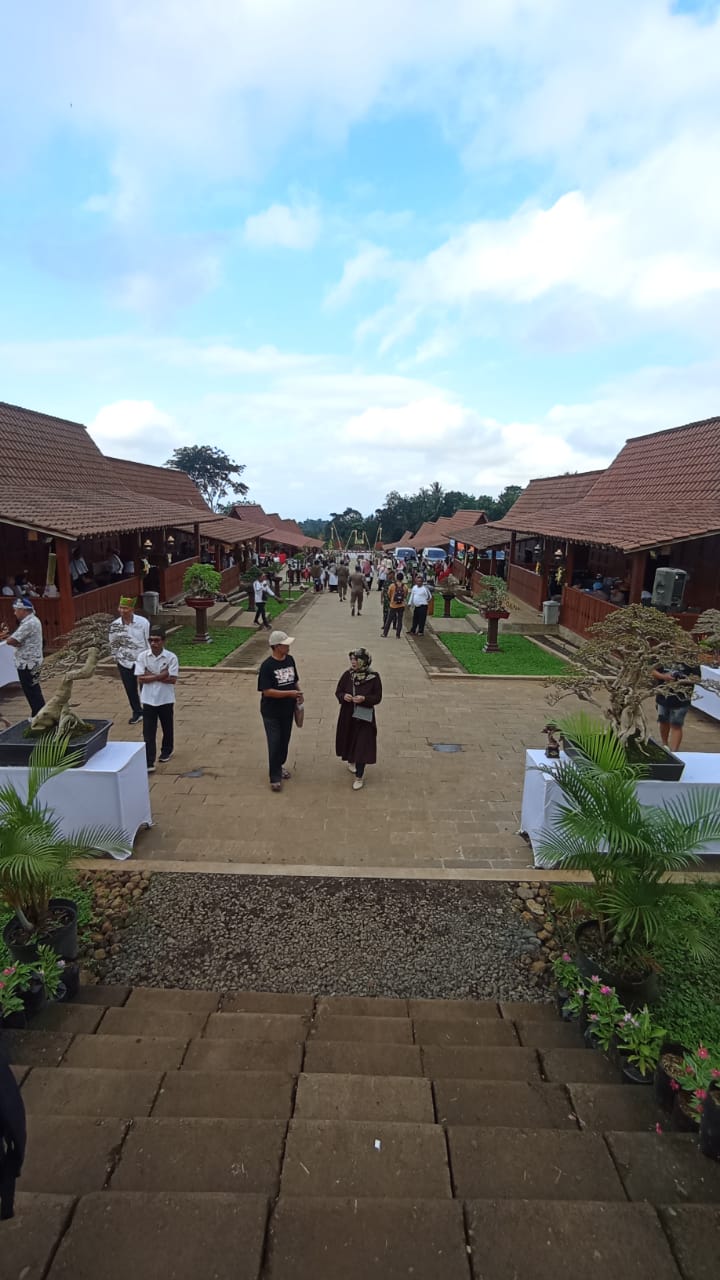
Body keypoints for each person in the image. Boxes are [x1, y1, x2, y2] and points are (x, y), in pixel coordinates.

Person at [257, 630, 303, 792]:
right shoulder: (267, 666)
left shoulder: (290, 660)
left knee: (284, 741)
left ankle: (279, 764)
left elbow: (294, 680)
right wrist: (289, 694)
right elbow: (267, 691)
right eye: (285, 644)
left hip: (287, 710)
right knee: (274, 742)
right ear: (277, 646)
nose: (288, 647)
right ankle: (275, 777)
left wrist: (299, 693)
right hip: (271, 712)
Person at [335, 648, 383, 790]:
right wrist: (343, 696)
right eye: (352, 659)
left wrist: (364, 699)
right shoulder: (348, 675)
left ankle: (359, 776)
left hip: (364, 717)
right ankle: (351, 760)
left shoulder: (374, 677)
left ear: (364, 661)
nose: (353, 662)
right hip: (348, 716)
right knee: (349, 739)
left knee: (362, 745)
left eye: (356, 659)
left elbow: (377, 697)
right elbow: (338, 691)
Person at [135, 628, 179, 773]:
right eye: (151, 640)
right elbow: (140, 678)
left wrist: (151, 676)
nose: (153, 643)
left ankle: (167, 750)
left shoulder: (171, 657)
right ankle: (149, 760)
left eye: (157, 640)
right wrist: (161, 675)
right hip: (148, 699)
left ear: (163, 641)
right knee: (148, 731)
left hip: (166, 698)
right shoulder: (142, 656)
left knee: (167, 726)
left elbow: (172, 679)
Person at [108, 597, 150, 725]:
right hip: (124, 661)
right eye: (121, 608)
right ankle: (137, 712)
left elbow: (148, 641)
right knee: (130, 689)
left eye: (125, 608)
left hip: (141, 660)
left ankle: (149, 711)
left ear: (132, 609)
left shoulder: (143, 622)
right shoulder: (115, 625)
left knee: (146, 688)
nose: (122, 611)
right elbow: (113, 643)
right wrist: (117, 657)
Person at [0, 598, 45, 715]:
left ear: (22, 610)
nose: (14, 613)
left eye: (16, 610)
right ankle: (39, 712)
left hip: (28, 662)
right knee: (33, 689)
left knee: (31, 690)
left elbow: (11, 640)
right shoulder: (32, 620)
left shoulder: (29, 623)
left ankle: (39, 713)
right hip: (31, 660)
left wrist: (14, 641)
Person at [652, 658, 700, 753]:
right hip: (663, 696)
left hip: (681, 699)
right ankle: (665, 745)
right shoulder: (664, 654)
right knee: (663, 721)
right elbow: (652, 670)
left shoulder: (691, 659)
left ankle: (674, 752)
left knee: (676, 725)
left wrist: (681, 680)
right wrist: (663, 676)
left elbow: (697, 678)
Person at [382, 572, 407, 638]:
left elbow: (389, 594)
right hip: (401, 605)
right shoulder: (405, 586)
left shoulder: (392, 586)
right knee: (400, 620)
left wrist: (392, 600)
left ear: (396, 578)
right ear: (402, 578)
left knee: (389, 620)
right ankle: (398, 635)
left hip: (393, 605)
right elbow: (405, 596)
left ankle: (385, 633)